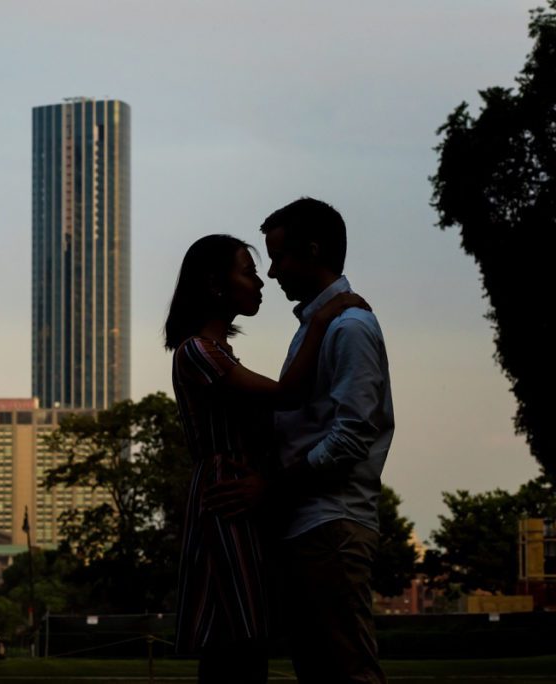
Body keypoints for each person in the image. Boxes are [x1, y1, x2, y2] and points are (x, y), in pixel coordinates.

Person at [165, 234, 368, 684]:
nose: (261, 282)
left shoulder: (216, 353)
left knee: (242, 633)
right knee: (235, 633)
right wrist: (320, 322)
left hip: (241, 492)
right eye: (248, 271)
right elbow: (286, 395)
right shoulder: (198, 352)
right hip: (228, 496)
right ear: (216, 285)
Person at [255, 197, 393, 683]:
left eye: (279, 257)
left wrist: (277, 485)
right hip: (312, 523)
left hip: (332, 523)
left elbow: (352, 437)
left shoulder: (349, 327)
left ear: (312, 251)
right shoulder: (322, 325)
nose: (271, 273)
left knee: (348, 670)